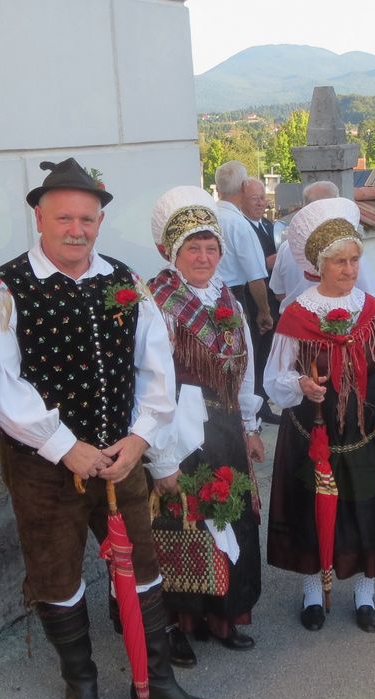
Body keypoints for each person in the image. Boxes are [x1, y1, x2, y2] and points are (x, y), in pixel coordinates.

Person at [0, 159, 212, 699]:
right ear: (39, 218)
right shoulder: (4, 287)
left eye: (87, 219)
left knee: (142, 567)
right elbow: (3, 384)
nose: (76, 230)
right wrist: (65, 448)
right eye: (64, 218)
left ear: (100, 222)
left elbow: (157, 369)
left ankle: (155, 678)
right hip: (43, 468)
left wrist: (140, 438)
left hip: (121, 460)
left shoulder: (124, 282)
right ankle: (80, 682)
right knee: (57, 574)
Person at [264, 197, 375, 634]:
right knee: (312, 507)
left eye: (354, 260)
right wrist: (301, 385)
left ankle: (365, 593)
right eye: (339, 262)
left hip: (367, 429)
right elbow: (274, 378)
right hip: (312, 432)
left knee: (366, 506)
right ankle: (313, 590)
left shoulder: (373, 313)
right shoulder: (296, 316)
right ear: (319, 265)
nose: (349, 270)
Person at [146, 185, 265, 666]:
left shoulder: (228, 299)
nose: (203, 256)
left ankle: (222, 615)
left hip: (226, 427)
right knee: (180, 520)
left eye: (210, 247)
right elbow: (149, 378)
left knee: (228, 512)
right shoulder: (158, 301)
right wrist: (160, 452)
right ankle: (178, 623)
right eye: (192, 247)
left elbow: (246, 364)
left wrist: (250, 424)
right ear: (173, 252)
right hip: (180, 429)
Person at [269, 181, 375, 311]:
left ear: (305, 207)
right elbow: (368, 293)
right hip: (339, 319)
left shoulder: (286, 247)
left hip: (295, 316)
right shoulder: (347, 247)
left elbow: (279, 293)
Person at [214, 161, 274, 338]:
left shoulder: (209, 215)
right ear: (243, 187)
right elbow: (255, 277)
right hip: (233, 296)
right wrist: (264, 311)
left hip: (206, 294)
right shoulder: (240, 224)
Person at [239, 177, 281, 424]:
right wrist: (268, 262)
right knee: (255, 355)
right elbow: (249, 267)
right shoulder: (242, 227)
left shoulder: (268, 225)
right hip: (253, 301)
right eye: (255, 198)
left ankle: (263, 400)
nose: (261, 203)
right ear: (242, 199)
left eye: (263, 198)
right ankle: (256, 407)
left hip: (272, 299)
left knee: (267, 354)